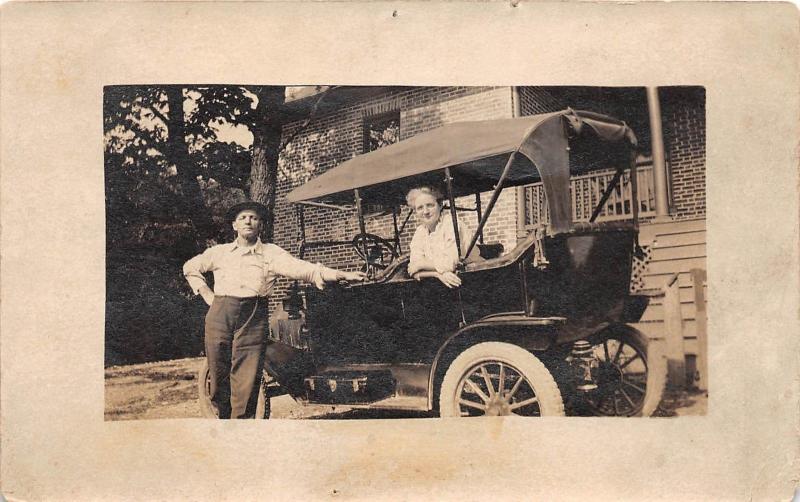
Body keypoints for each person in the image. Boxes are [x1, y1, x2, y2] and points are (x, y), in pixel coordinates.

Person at [183, 201, 365, 419]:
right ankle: (222, 423)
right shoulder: (219, 253)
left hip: (252, 317)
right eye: (243, 218)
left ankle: (243, 427)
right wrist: (206, 293)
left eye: (254, 218)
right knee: (218, 373)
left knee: (247, 376)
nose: (248, 221)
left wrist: (339, 274)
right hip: (220, 315)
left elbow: (302, 269)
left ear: (260, 225)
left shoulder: (270, 253)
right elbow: (190, 267)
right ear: (234, 226)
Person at [406, 186, 476, 289]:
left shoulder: (451, 224)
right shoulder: (420, 232)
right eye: (420, 208)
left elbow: (449, 264)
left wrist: (420, 264)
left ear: (440, 205)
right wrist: (438, 274)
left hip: (472, 277)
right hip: (443, 282)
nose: (425, 212)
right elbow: (413, 270)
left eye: (430, 205)